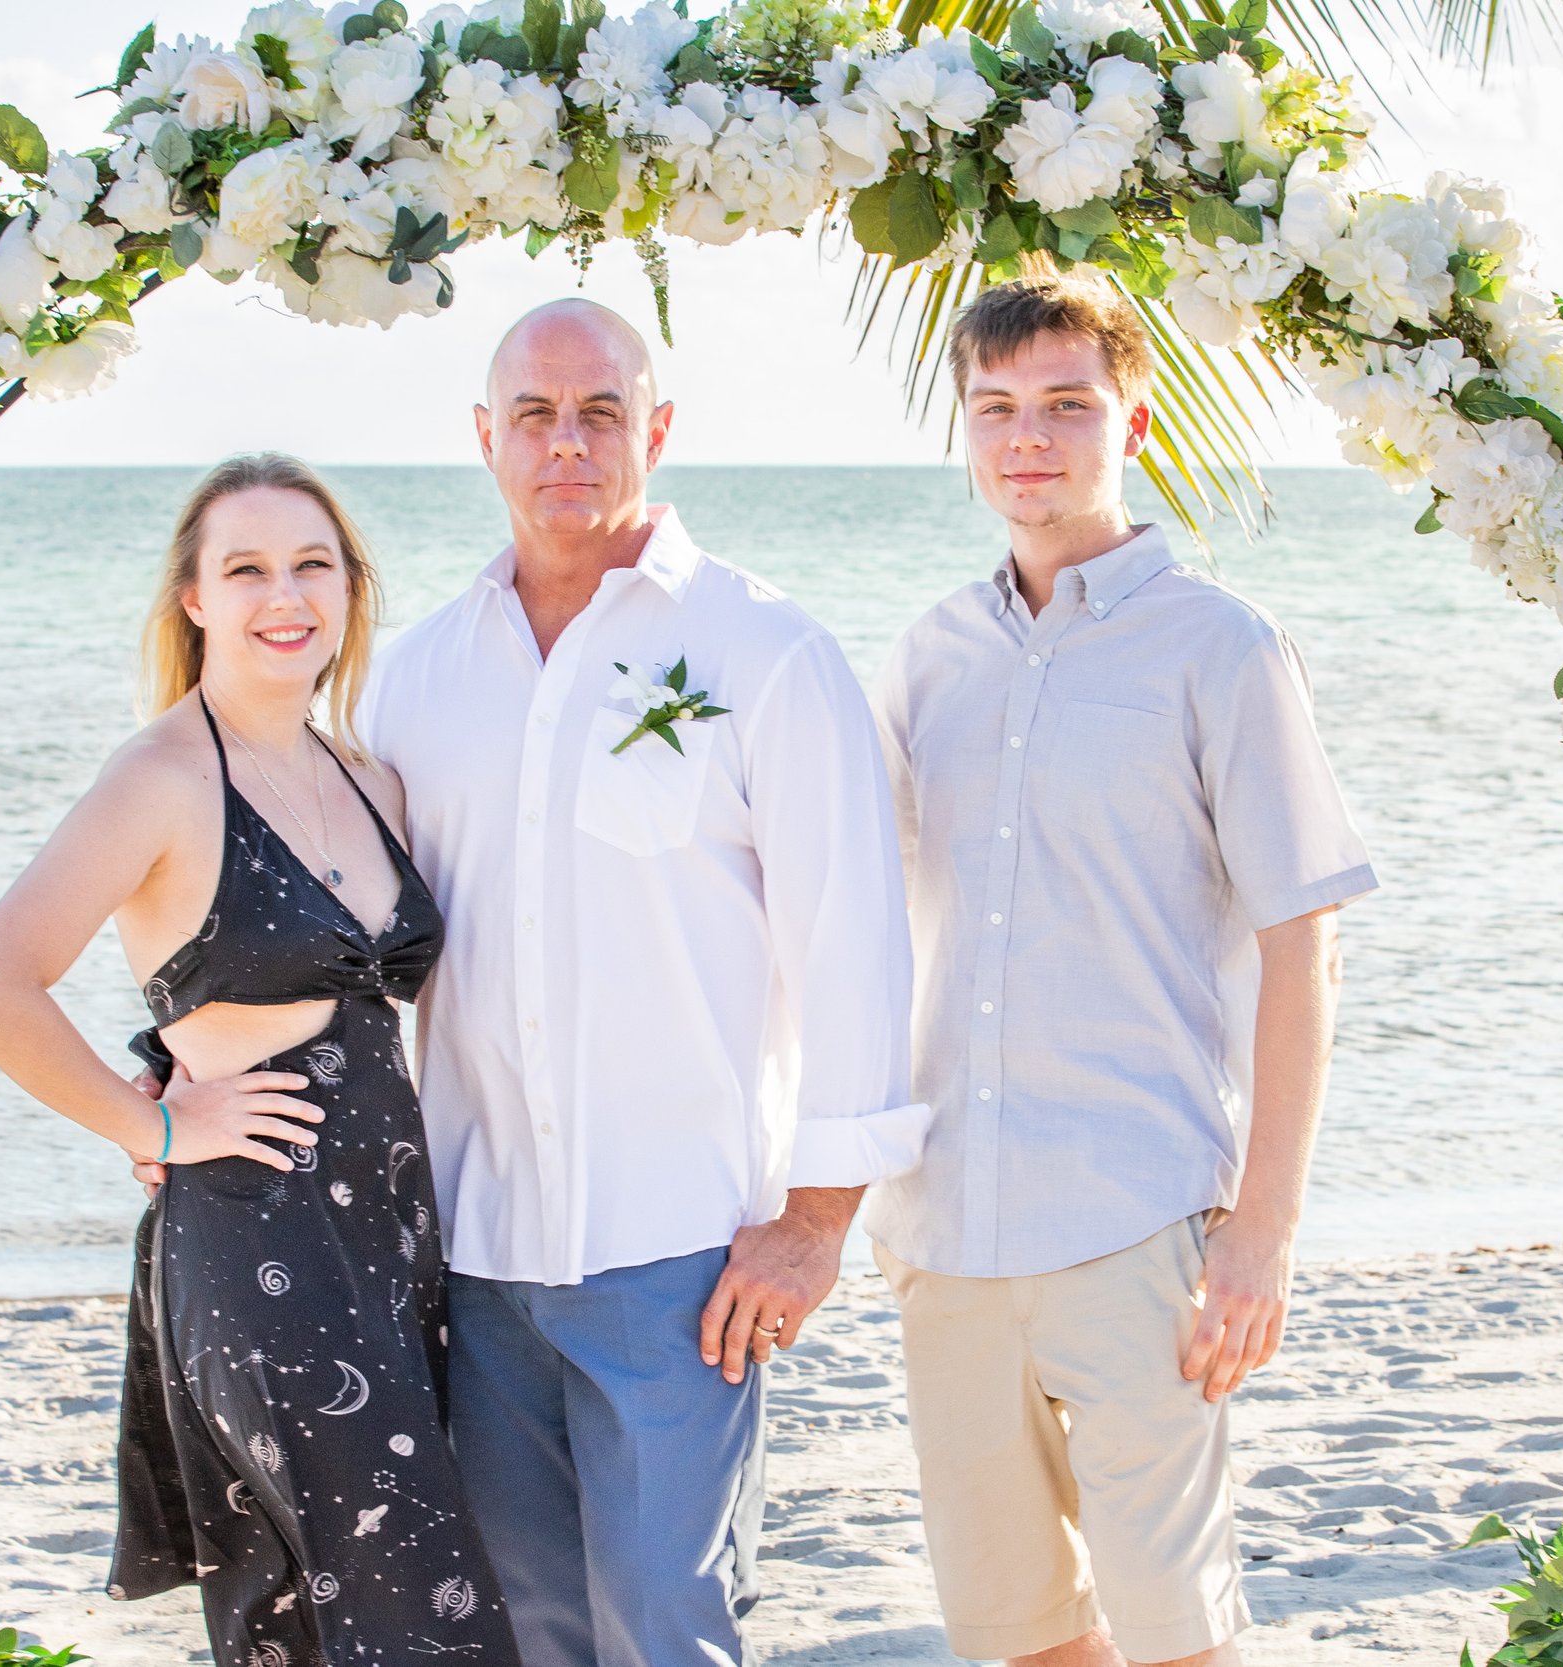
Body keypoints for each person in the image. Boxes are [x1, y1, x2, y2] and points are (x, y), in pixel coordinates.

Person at [356, 297, 924, 1667]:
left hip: (682, 1260)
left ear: (655, 431)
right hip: (481, 1253)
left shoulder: (763, 651)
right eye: (536, 416)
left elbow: (856, 940)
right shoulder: (415, 678)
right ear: (485, 438)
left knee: (670, 1623)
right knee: (530, 1627)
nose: (568, 443)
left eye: (601, 412)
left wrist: (819, 1215)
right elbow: (350, 948)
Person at [864, 274, 1378, 1667]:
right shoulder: (930, 654)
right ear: (967, 432)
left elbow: (1302, 943)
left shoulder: (1221, 646)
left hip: (1136, 1220)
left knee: (1173, 1638)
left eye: (1066, 406)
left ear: (1132, 421)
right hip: (946, 1230)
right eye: (998, 409)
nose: (1029, 437)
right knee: (1017, 1636)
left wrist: (1262, 1225)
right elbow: (831, 909)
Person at [0, 453, 523, 1667]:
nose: (286, 594)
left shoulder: (371, 780)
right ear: (195, 597)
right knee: (415, 1612)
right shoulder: (160, 777)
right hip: (259, 1237)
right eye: (247, 567)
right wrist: (147, 1124)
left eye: (312, 563)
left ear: (350, 588)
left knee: (303, 1614)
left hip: (396, 1235)